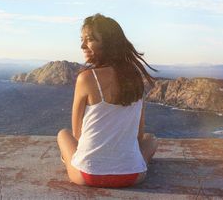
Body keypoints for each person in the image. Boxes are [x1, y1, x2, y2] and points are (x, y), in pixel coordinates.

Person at [57, 13, 159, 188]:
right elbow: (139, 135)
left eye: (89, 40)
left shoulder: (86, 78)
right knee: (151, 140)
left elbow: (77, 134)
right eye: (82, 40)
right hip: (133, 175)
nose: (82, 45)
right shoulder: (135, 77)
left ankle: (69, 160)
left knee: (63, 134)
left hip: (88, 175)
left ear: (108, 42)